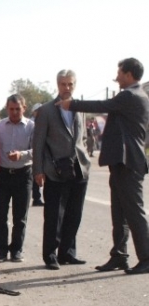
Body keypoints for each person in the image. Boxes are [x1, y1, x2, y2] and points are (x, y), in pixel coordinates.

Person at [58, 58, 149, 275]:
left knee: (134, 212)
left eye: (119, 73)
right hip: (121, 162)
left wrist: (73, 104)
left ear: (128, 74)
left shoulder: (130, 95)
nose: (116, 77)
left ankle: (146, 257)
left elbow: (102, 106)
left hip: (128, 163)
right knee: (119, 212)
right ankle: (119, 255)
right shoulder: (137, 95)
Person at [32, 69, 91, 270]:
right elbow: (38, 142)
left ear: (75, 85)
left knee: (74, 213)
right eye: (63, 84)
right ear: (57, 85)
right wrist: (38, 170)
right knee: (54, 214)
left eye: (70, 84)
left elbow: (81, 138)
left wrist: (86, 159)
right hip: (55, 170)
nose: (67, 88)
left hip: (79, 168)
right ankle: (50, 255)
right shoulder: (47, 110)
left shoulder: (79, 108)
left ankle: (67, 253)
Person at [0, 94, 34, 263]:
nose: (14, 112)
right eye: (11, 109)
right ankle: (1, 251)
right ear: (6, 109)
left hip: (23, 174)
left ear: (24, 108)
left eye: (18, 109)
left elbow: (38, 150)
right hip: (2, 175)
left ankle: (16, 250)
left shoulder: (32, 126)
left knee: (20, 216)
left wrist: (21, 155)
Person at [30, 103, 45, 206]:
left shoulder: (44, 122)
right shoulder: (30, 124)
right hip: (30, 155)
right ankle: (36, 198)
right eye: (38, 111)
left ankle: (37, 198)